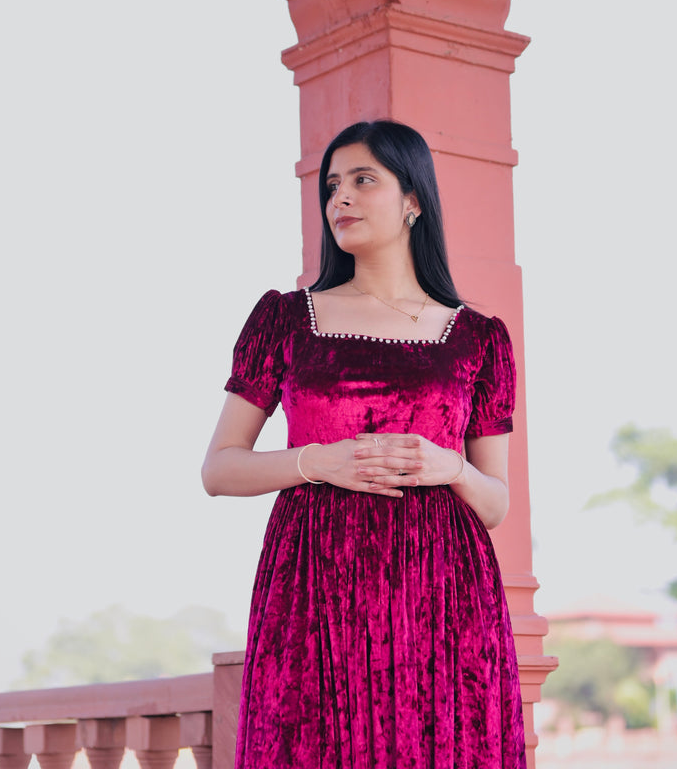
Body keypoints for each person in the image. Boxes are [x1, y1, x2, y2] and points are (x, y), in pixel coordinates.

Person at [202, 120, 526, 769]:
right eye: (332, 186)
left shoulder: (480, 339)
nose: (339, 200)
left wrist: (450, 466)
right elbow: (218, 468)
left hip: (443, 599)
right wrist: (312, 462)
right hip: (313, 588)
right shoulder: (286, 319)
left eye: (362, 180)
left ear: (413, 201)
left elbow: (495, 504)